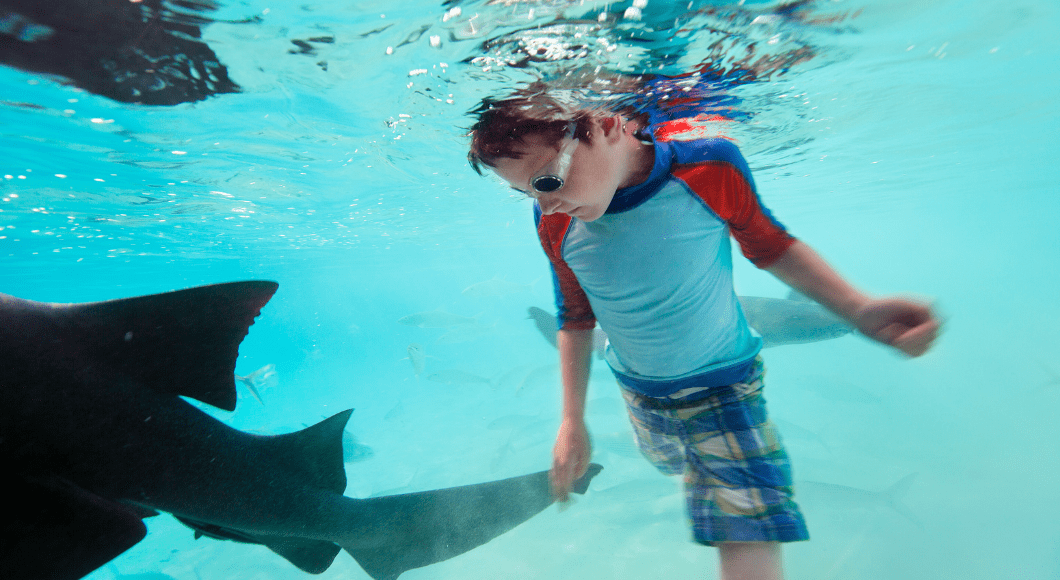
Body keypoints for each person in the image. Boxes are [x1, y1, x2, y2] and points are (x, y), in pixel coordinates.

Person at [466, 86, 939, 580]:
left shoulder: (708, 166)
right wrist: (571, 420)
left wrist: (857, 307)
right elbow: (576, 316)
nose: (544, 207)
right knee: (683, 468)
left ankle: (720, 482)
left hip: (724, 383)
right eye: (525, 193)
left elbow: (769, 244)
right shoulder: (555, 220)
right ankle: (706, 477)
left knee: (746, 529)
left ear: (605, 125)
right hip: (639, 392)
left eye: (546, 181)